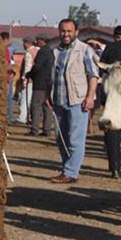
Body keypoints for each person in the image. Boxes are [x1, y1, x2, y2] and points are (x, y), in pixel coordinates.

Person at [49, 19, 98, 184]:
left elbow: (93, 75)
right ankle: (66, 169)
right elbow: (53, 78)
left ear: (76, 32)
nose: (66, 34)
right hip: (59, 101)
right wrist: (49, 97)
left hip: (78, 100)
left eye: (69, 31)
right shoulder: (56, 52)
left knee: (75, 139)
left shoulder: (84, 50)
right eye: (63, 31)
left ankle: (71, 172)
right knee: (61, 138)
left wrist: (90, 97)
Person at [99, 26, 121, 178]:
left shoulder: (110, 47)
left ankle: (114, 167)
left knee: (111, 133)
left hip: (111, 95)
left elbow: (101, 68)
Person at [27, 35, 55, 136]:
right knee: (47, 106)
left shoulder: (42, 52)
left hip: (40, 83)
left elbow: (37, 66)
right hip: (48, 83)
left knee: (36, 106)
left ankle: (34, 129)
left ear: (43, 41)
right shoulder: (51, 51)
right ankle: (46, 130)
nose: (37, 41)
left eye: (38, 39)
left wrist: (30, 74)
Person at [17, 37, 38, 125]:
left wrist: (24, 81)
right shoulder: (37, 51)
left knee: (24, 99)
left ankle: (22, 118)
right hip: (36, 80)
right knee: (31, 100)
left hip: (29, 80)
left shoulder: (29, 53)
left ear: (27, 43)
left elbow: (27, 68)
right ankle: (29, 117)